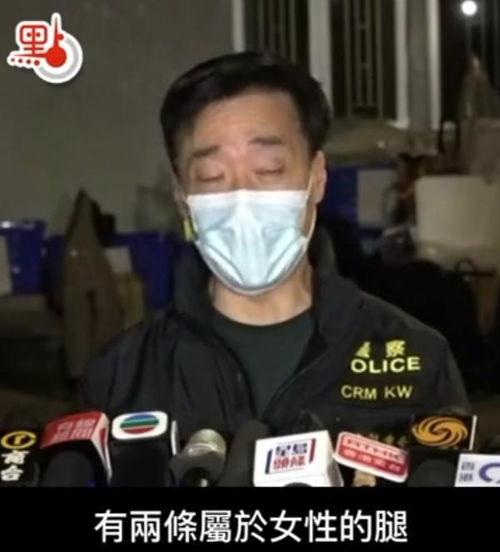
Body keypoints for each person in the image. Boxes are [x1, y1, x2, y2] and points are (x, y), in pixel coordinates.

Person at [80, 52, 469, 446]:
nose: (242, 197)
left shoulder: (416, 358)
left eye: (269, 169)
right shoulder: (122, 376)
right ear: (182, 198)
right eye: (212, 176)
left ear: (317, 177)